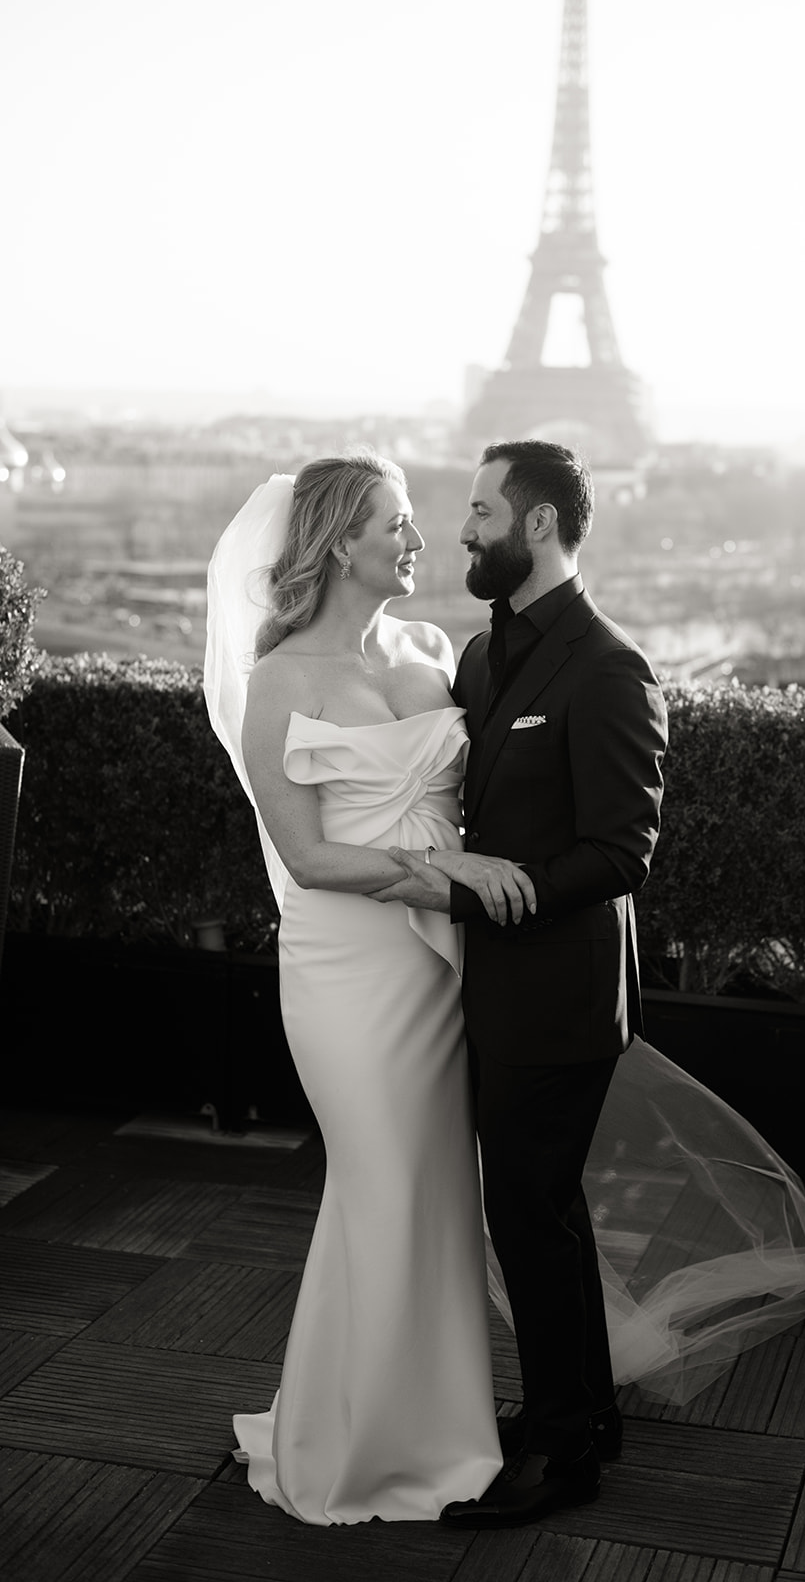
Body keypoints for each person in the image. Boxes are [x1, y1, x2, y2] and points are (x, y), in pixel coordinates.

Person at [203, 454, 535, 1524]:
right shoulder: (280, 681)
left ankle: (432, 1431)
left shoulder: (436, 649)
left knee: (435, 1189)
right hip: (349, 973)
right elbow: (305, 858)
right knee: (383, 1180)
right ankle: (351, 1445)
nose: (417, 540)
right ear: (340, 541)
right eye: (394, 523)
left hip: (442, 967)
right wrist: (451, 874)